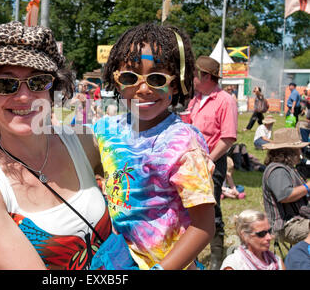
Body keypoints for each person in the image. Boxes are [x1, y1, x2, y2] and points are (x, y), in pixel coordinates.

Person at [0, 21, 111, 270]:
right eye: (5, 83)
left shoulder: (83, 142)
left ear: (52, 89)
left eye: (38, 82)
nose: (24, 96)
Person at [91, 23, 216, 270]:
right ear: (116, 81)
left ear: (175, 83)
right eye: (130, 77)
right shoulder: (105, 131)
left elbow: (204, 226)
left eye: (157, 78)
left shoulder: (183, 144)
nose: (144, 88)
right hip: (116, 258)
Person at [187, 55, 238, 270]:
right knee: (189, 208)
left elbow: (227, 138)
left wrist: (209, 158)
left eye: (194, 74)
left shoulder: (226, 100)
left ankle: (217, 257)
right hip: (191, 162)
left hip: (212, 163)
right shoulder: (195, 99)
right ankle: (191, 254)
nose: (191, 78)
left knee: (211, 209)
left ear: (206, 76)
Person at [262, 127, 310, 245]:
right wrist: (308, 187)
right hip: (288, 225)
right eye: (298, 148)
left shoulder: (287, 168)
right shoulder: (277, 170)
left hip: (299, 219)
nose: (300, 151)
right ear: (290, 151)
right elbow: (284, 195)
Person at [220, 209, 285, 270]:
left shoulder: (276, 261)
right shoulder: (235, 264)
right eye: (261, 234)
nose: (269, 237)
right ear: (244, 235)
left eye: (269, 231)